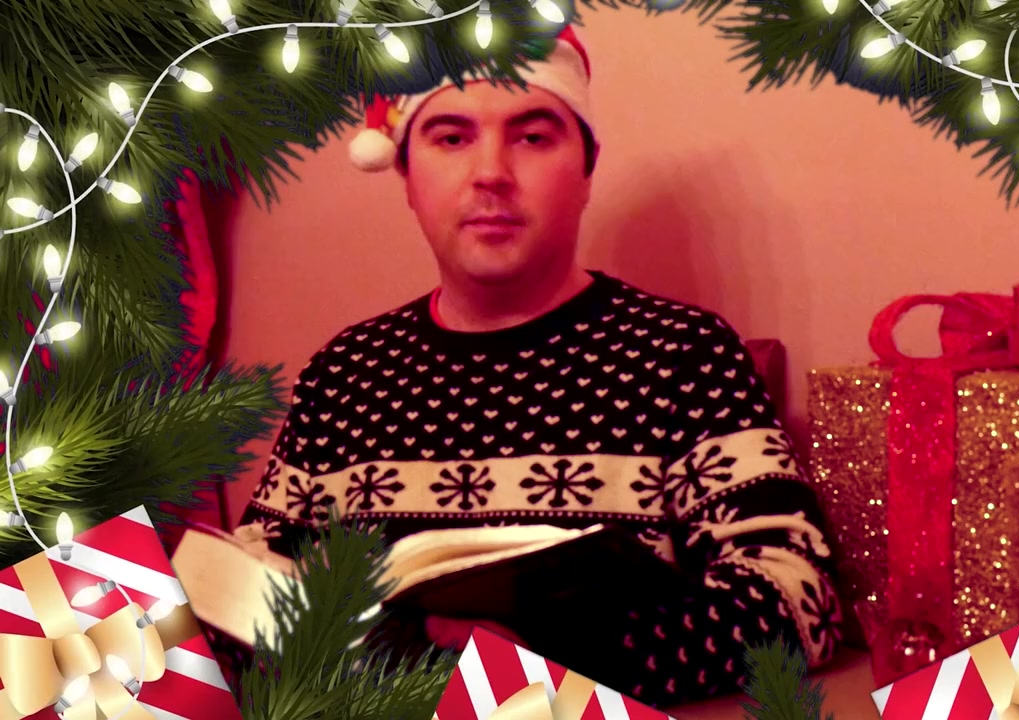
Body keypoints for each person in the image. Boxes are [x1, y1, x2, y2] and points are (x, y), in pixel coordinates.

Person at [236, 26, 843, 707]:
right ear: (406, 176)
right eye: (451, 138)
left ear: (586, 172)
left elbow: (798, 596)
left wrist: (551, 660)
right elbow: (250, 572)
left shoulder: (682, 355)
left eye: (531, 137)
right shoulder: (346, 373)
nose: (491, 173)